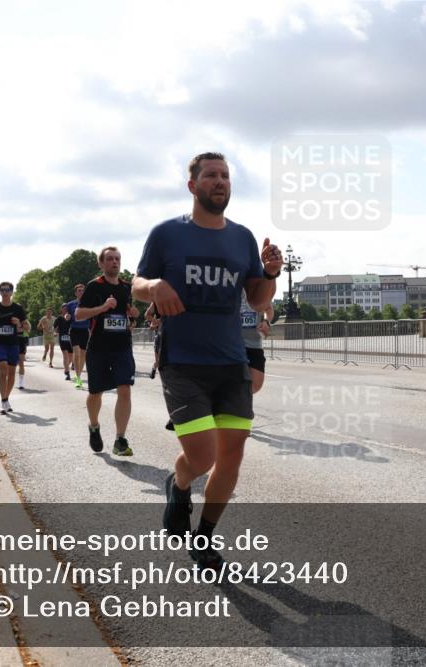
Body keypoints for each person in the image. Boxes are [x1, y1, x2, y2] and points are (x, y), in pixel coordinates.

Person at [133, 152, 282, 570]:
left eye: (226, 176)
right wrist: (156, 285)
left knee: (232, 454)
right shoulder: (167, 234)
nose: (220, 182)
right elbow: (137, 284)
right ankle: (179, 485)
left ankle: (204, 537)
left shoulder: (242, 238)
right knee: (203, 457)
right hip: (183, 362)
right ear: (193, 185)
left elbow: (257, 300)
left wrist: (269, 275)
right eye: (211, 175)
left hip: (232, 360)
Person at [76, 246, 140, 456]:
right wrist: (102, 308)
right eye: (110, 259)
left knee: (125, 390)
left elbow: (127, 318)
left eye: (117, 259)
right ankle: (94, 426)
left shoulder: (126, 287)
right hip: (99, 348)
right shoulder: (95, 286)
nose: (115, 262)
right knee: (96, 393)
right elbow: (79, 314)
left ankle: (120, 439)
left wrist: (132, 314)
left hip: (122, 346)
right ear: (101, 263)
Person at [0, 282, 28, 415]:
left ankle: (6, 398)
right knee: (3, 369)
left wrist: (19, 323)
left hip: (13, 344)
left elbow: (28, 327)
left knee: (11, 373)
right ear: (0, 292)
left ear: (11, 292)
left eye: (7, 290)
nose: (5, 292)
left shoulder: (18, 309)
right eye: (2, 290)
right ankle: (3, 400)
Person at [241, 294, 276, 394]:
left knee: (257, 384)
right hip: (234, 343)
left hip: (254, 343)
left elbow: (268, 309)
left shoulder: (258, 285)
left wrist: (266, 321)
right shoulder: (231, 283)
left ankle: (239, 400)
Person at [65, 284, 90, 390]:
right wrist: (67, 316)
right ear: (75, 293)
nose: (81, 292)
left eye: (83, 290)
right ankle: (78, 379)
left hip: (85, 330)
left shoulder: (89, 303)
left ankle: (78, 375)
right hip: (74, 330)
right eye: (79, 290)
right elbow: (66, 315)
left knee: (83, 355)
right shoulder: (70, 304)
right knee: (77, 352)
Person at [55, 305, 73, 381]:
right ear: (61, 309)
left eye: (66, 308)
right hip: (62, 338)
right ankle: (67, 372)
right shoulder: (59, 318)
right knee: (65, 355)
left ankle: (66, 367)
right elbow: (55, 327)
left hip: (71, 338)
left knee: (71, 357)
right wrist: (55, 332)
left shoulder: (71, 317)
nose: (65, 309)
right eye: (64, 308)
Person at [17, 311, 31, 390]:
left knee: (21, 362)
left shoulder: (23, 320)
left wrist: (22, 325)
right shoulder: (10, 318)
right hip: (12, 340)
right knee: (10, 363)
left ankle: (21, 382)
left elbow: (28, 327)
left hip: (21, 340)